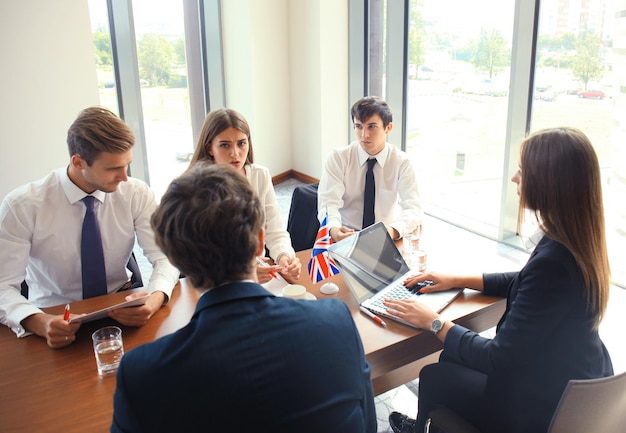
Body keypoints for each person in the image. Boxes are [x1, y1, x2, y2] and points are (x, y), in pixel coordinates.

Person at [111, 163, 377, 433]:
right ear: (261, 241)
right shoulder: (336, 320)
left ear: (173, 258)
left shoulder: (141, 375)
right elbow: (367, 424)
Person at [385, 127, 614, 433]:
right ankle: (433, 422)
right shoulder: (576, 241)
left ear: (549, 182)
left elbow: (498, 358)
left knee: (433, 375)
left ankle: (423, 427)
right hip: (570, 378)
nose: (514, 178)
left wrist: (434, 322)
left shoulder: (554, 263)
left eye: (522, 170)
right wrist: (457, 278)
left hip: (536, 409)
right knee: (451, 354)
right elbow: (526, 282)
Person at [0, 106, 180, 349]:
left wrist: (155, 298)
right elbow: (3, 286)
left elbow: (165, 257)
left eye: (127, 165)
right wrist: (38, 322)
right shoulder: (22, 206)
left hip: (121, 309)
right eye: (113, 168)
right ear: (78, 162)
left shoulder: (135, 193)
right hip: (54, 316)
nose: (124, 177)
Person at [188, 108, 301, 283]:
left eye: (241, 143)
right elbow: (195, 254)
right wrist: (244, 272)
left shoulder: (260, 175)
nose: (235, 153)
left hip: (259, 275)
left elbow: (275, 231)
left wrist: (284, 256)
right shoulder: (195, 186)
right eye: (225, 145)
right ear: (209, 147)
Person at [317, 96, 422, 242]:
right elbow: (328, 203)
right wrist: (334, 229)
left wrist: (392, 231)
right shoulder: (338, 158)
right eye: (359, 126)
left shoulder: (402, 163)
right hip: (347, 234)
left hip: (385, 235)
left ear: (388, 128)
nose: (364, 134)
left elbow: (413, 208)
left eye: (372, 126)